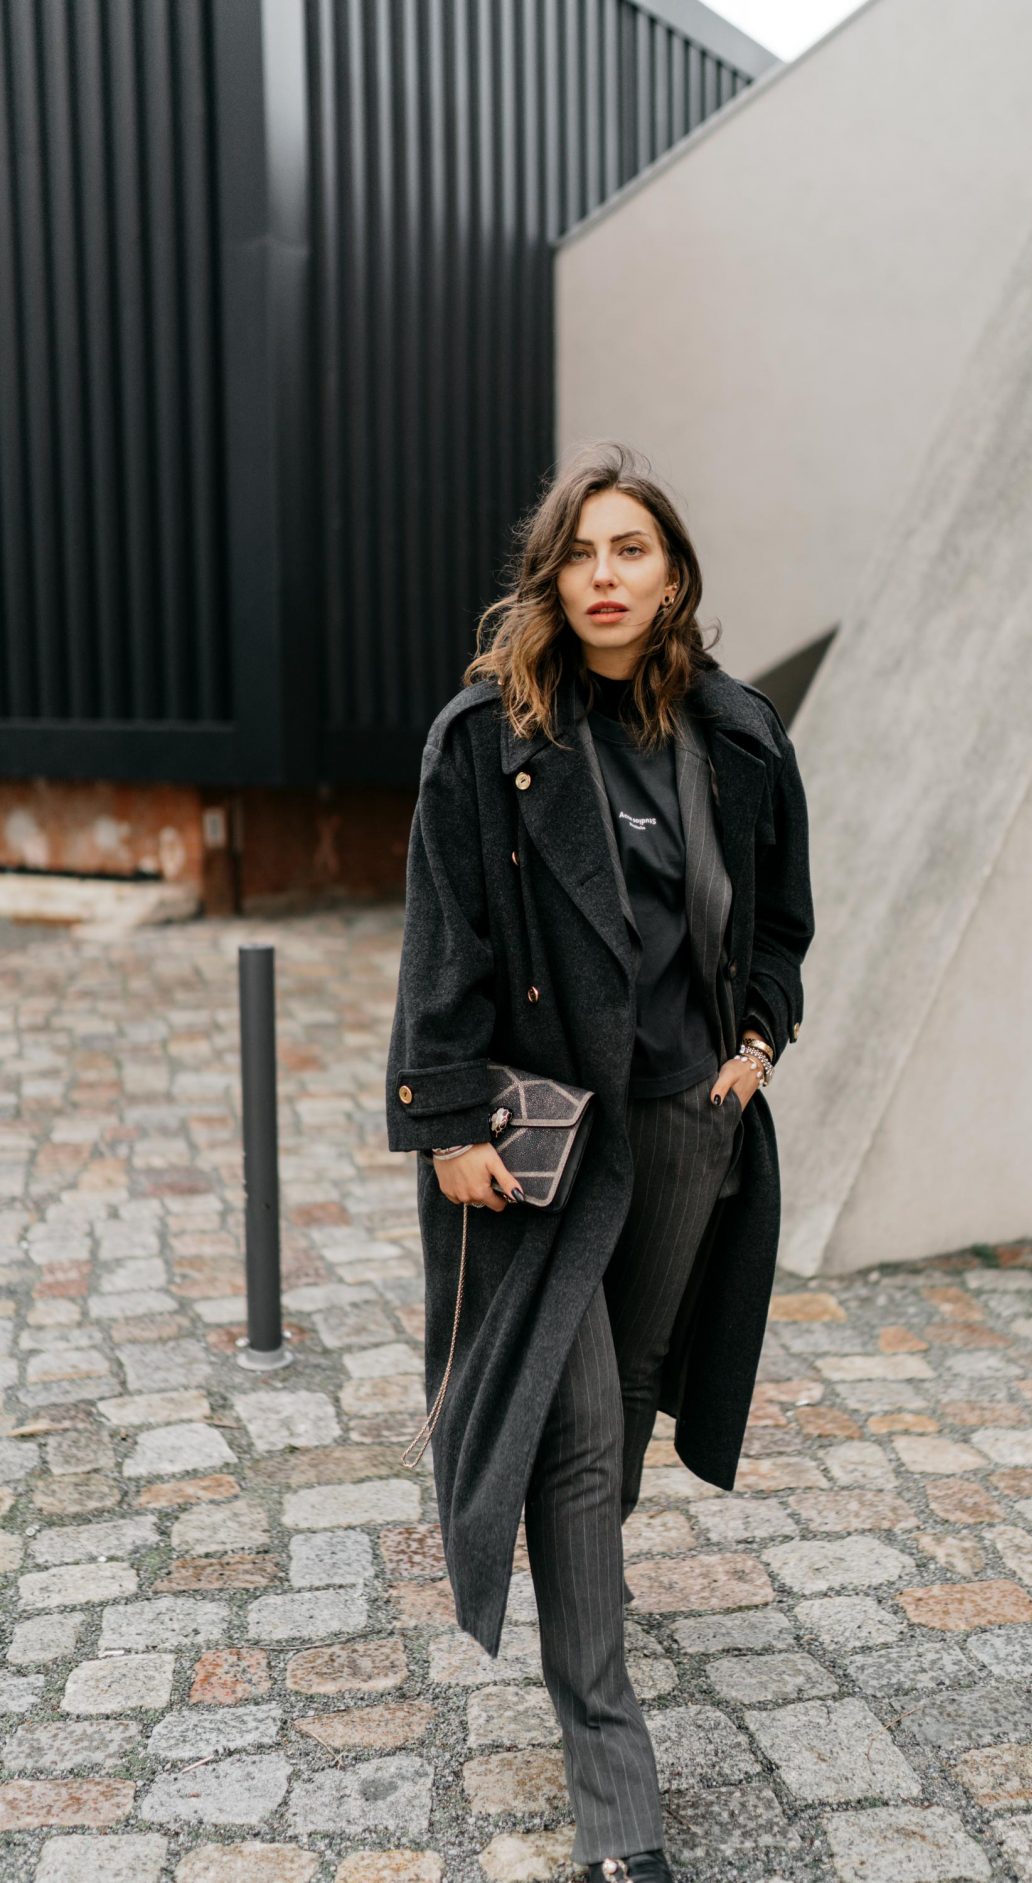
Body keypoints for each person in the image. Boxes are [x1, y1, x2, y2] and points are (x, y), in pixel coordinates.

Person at [385, 442, 814, 1879]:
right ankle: (618, 1807)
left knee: (622, 1406)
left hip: (687, 1125)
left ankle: (588, 1579)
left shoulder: (740, 735)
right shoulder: (487, 741)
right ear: (551, 576)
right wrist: (444, 1119)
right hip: (542, 1139)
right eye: (583, 553)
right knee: (571, 1441)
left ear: (674, 573)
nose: (607, 576)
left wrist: (758, 1038)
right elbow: (441, 945)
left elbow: (780, 924)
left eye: (632, 550)